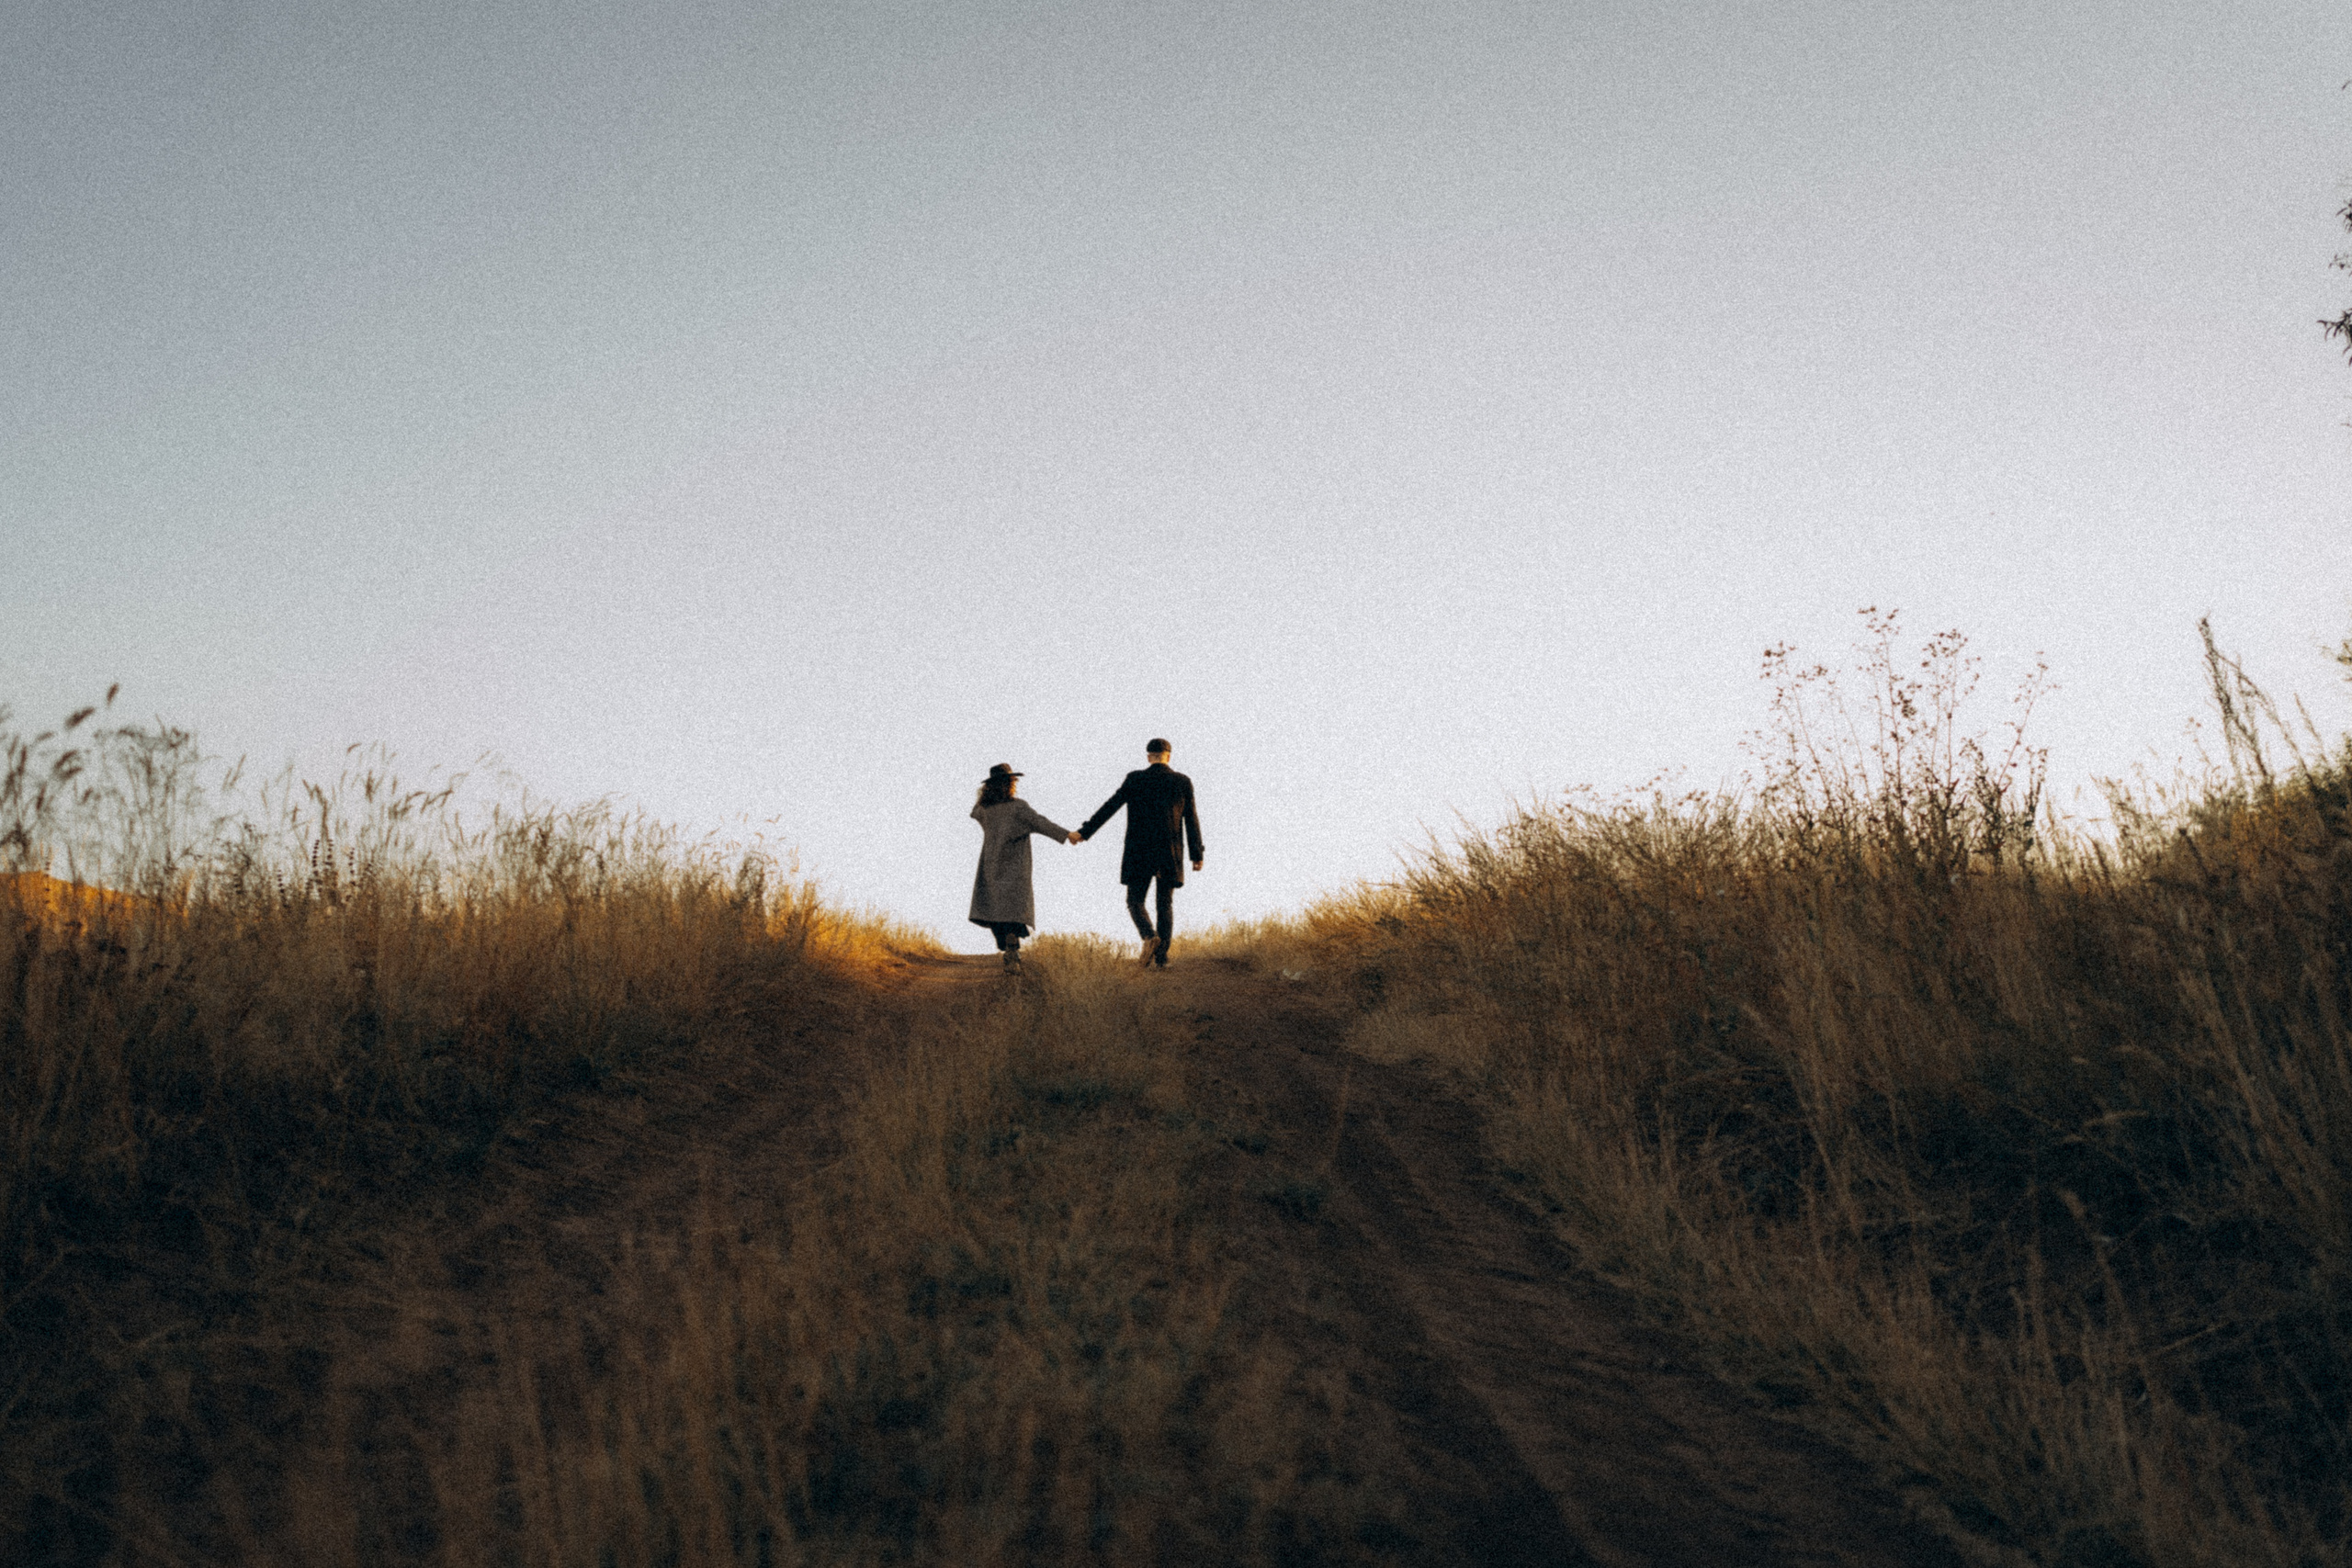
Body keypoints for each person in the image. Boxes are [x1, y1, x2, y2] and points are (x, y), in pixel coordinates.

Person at [1077, 738, 1204, 967]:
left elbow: (1110, 807)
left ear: (1148, 757)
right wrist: (1197, 854)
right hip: (1169, 851)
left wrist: (1084, 832)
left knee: (1135, 900)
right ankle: (1161, 958)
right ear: (1168, 756)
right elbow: (1191, 820)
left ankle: (1149, 936)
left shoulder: (1135, 779)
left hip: (1139, 850)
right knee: (1164, 904)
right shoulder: (1182, 782)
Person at [968, 763, 1073, 974]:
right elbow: (1041, 823)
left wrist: (985, 797)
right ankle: (1012, 950)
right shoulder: (1018, 808)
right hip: (1015, 868)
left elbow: (974, 812)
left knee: (995, 910)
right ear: (1010, 784)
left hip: (991, 864)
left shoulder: (984, 810)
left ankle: (1007, 948)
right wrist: (1067, 834)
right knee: (1013, 911)